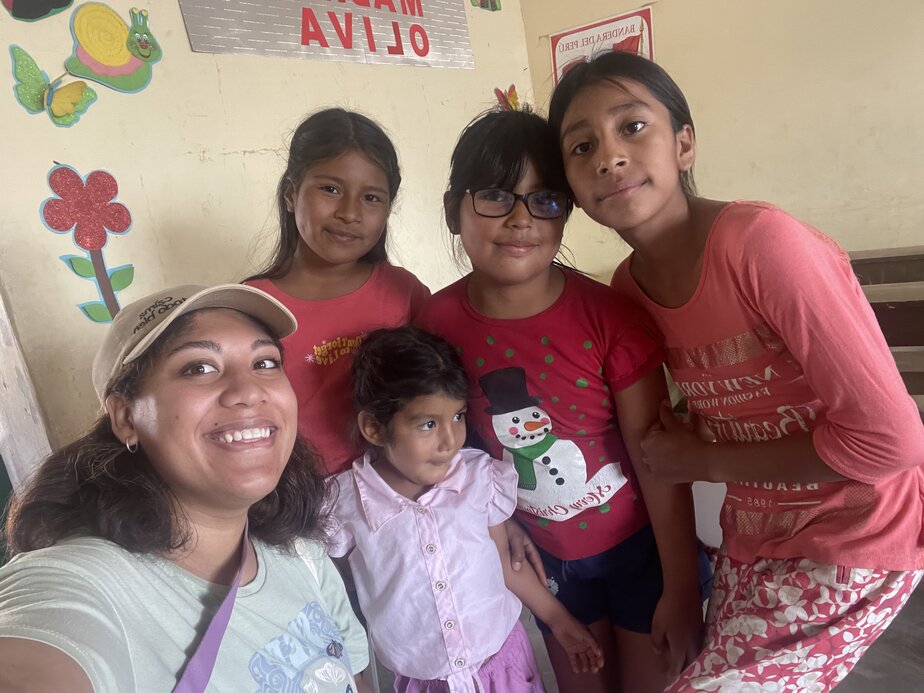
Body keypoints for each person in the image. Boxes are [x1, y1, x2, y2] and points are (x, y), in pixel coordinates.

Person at [548, 50, 924, 691]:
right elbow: (660, 445)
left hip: (854, 536)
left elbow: (891, 442)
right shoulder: (628, 290)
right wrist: (678, 589)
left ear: (685, 144)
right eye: (581, 146)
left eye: (632, 127)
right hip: (751, 544)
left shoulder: (761, 245)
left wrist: (705, 461)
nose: (608, 155)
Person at [417, 107, 706, 693]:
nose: (521, 220)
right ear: (454, 210)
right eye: (497, 195)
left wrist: (679, 587)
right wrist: (497, 528)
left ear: (566, 213)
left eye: (545, 199)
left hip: (640, 551)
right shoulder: (434, 321)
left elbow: (656, 460)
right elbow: (459, 449)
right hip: (546, 561)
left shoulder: (610, 317)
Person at [0, 284, 369, 692]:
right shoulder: (87, 583)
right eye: (199, 368)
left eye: (265, 362)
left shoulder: (303, 554)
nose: (249, 391)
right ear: (125, 417)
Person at [327, 326, 603, 693]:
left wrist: (559, 620)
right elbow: (327, 592)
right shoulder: (344, 502)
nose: (450, 440)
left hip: (503, 666)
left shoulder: (478, 478)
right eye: (428, 424)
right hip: (424, 681)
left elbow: (505, 563)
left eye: (457, 417)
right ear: (375, 429)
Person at [246, 108, 430, 476]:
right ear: (290, 194)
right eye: (330, 189)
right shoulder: (252, 306)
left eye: (372, 198)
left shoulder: (403, 292)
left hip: (399, 497)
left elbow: (440, 398)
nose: (349, 212)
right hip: (298, 503)